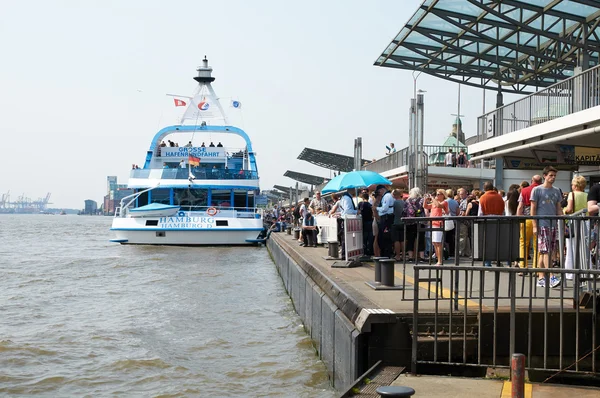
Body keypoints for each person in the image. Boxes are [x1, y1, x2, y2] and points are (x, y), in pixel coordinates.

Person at [531, 166, 563, 288]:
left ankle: (541, 278)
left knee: (545, 252)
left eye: (554, 176)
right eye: (550, 175)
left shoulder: (556, 191)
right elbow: (533, 208)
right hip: (542, 224)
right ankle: (551, 276)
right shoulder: (537, 190)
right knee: (546, 251)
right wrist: (535, 225)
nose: (553, 178)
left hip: (552, 224)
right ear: (544, 176)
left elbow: (558, 208)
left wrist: (563, 222)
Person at [564, 175, 588, 280]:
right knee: (583, 247)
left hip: (573, 221)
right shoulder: (587, 195)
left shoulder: (571, 194)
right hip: (585, 222)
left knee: (571, 247)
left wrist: (563, 210)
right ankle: (585, 270)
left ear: (575, 185)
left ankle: (570, 272)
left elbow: (569, 209)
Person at [516, 175, 542, 269]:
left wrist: (518, 219)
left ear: (532, 181)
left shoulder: (524, 190)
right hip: (539, 219)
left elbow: (520, 207)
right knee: (537, 244)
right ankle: (536, 267)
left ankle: (523, 266)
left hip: (526, 219)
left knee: (523, 243)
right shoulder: (542, 190)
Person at [478, 181, 506, 266]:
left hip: (487, 222)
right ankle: (498, 261)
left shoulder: (483, 198)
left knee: (487, 243)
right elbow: (503, 212)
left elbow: (480, 212)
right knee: (498, 242)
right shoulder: (499, 197)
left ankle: (487, 262)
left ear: (485, 188)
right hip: (498, 221)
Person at [424, 190, 448, 265]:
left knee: (438, 243)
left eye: (438, 194)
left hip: (439, 224)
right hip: (433, 223)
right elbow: (425, 206)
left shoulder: (444, 202)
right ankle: (438, 258)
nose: (437, 196)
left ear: (443, 195)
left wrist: (432, 198)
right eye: (436, 194)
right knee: (434, 242)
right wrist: (425, 200)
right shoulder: (434, 202)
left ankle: (440, 260)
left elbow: (438, 205)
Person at [404, 187, 426, 262]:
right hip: (420, 222)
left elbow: (404, 210)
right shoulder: (422, 200)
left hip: (410, 222)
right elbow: (424, 209)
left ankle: (410, 257)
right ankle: (422, 257)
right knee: (421, 239)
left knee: (410, 239)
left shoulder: (407, 201)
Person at [376, 185, 394, 258]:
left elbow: (384, 209)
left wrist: (376, 208)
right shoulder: (386, 196)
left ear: (382, 189)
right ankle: (385, 253)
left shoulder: (387, 196)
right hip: (386, 217)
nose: (379, 193)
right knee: (383, 236)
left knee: (385, 236)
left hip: (386, 218)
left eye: (379, 191)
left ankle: (386, 253)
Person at [391, 189, 406, 261]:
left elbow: (392, 212)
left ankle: (397, 255)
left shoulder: (395, 203)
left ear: (395, 195)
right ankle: (403, 255)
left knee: (396, 240)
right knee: (402, 240)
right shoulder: (404, 202)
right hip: (403, 222)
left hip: (396, 222)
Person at [444, 189, 459, 258]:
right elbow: (457, 212)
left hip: (446, 221)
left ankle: (446, 252)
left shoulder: (444, 202)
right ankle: (452, 252)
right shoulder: (455, 202)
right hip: (454, 221)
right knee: (452, 238)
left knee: (445, 237)